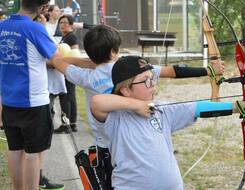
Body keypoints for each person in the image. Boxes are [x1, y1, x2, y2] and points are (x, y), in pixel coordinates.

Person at [52, 24, 224, 188]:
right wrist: (208, 70)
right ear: (114, 51)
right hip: (136, 144)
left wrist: (89, 62)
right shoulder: (134, 70)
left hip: (106, 149)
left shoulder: (87, 77)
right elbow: (173, 71)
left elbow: (57, 62)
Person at [90, 55, 245, 189]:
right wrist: (138, 106)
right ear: (125, 90)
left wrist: (235, 107)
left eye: (153, 79)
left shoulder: (160, 109)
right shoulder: (116, 117)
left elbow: (195, 108)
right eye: (146, 81)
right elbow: (97, 102)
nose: (153, 85)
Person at [0, 0, 61, 189]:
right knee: (33, 152)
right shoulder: (35, 29)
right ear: (43, 8)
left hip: (9, 99)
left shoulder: (2, 26)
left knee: (15, 149)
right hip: (33, 101)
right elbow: (56, 58)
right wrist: (43, 26)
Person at [54, 14, 80, 133]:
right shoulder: (65, 37)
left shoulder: (71, 37)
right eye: (61, 23)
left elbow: (75, 54)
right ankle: (72, 124)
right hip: (66, 70)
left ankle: (67, 124)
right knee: (70, 97)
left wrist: (69, 67)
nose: (62, 25)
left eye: (65, 23)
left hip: (68, 70)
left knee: (67, 98)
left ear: (71, 25)